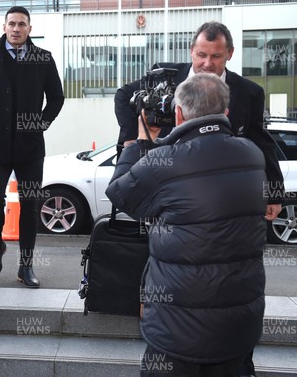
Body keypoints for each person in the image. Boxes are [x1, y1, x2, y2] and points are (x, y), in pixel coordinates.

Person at [115, 21, 283, 376]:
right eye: (201, 55)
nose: (207, 63)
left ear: (229, 55)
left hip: (210, 206)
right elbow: (124, 98)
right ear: (192, 52)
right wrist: (136, 132)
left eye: (215, 56)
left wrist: (274, 190)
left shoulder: (248, 93)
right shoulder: (162, 78)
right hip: (178, 205)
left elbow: (262, 138)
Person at [0, 6, 64, 288]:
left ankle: (26, 266)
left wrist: (39, 123)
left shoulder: (43, 58)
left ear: (29, 29)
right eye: (11, 24)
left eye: (21, 24)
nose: (16, 29)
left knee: (31, 204)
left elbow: (57, 98)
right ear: (4, 27)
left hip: (30, 148)